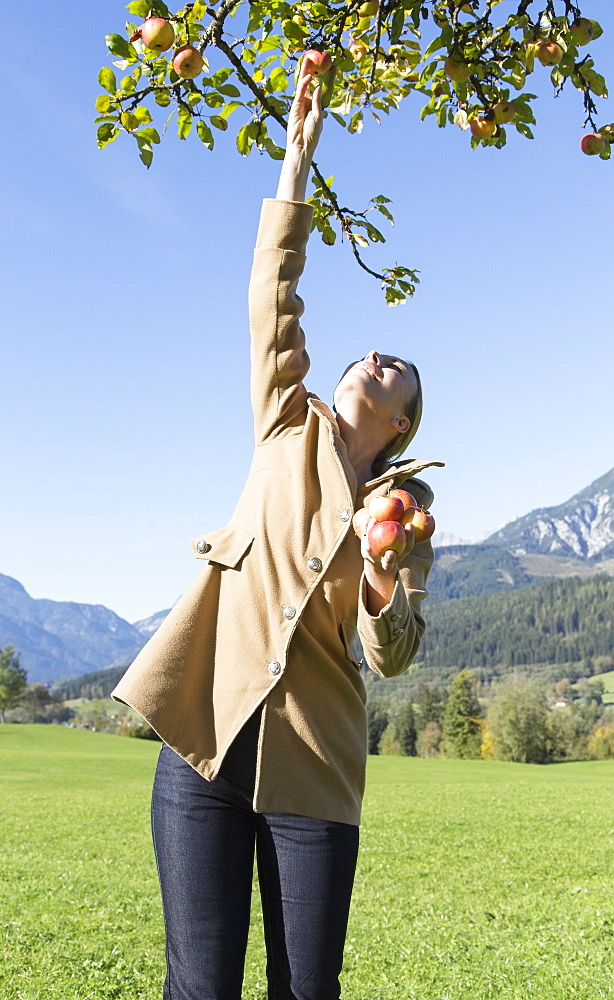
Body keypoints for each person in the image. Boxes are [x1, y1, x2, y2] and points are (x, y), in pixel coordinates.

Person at [112, 66, 443, 1000]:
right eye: (370, 353)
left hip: (315, 773)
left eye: (396, 371)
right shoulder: (284, 422)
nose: (373, 356)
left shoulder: (410, 520)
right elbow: (273, 293)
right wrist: (295, 165)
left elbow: (394, 657)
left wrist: (382, 578)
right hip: (203, 743)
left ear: (402, 424)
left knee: (306, 991)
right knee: (200, 984)